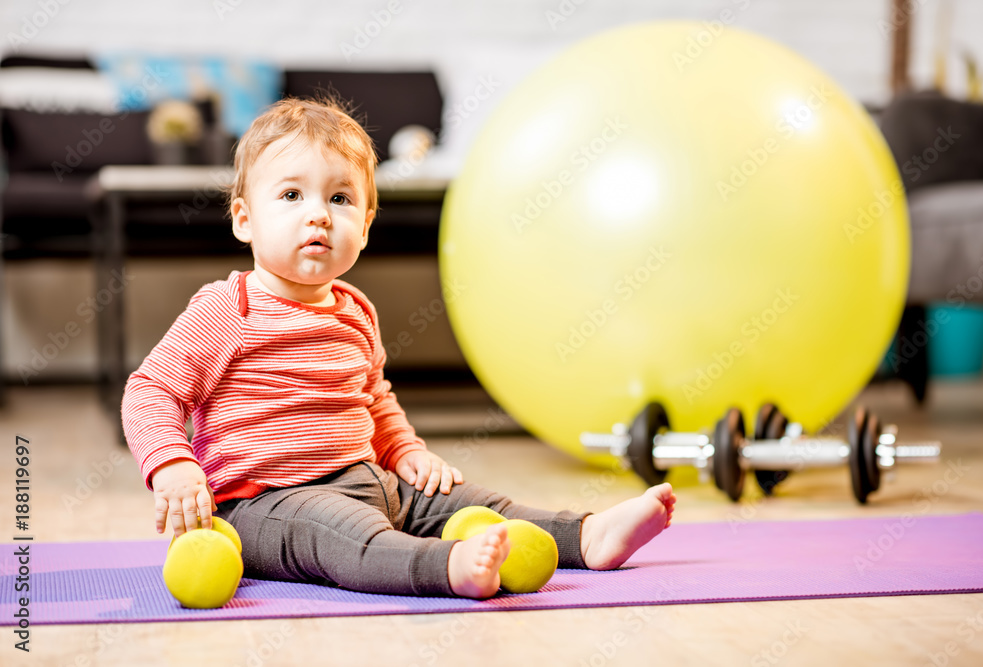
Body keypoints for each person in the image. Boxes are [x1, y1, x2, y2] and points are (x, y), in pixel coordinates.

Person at [122, 96, 676, 599]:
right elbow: (150, 391)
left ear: (363, 227)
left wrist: (406, 453)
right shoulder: (228, 310)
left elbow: (376, 398)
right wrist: (173, 465)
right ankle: (449, 568)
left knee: (471, 501)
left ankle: (586, 535)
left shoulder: (355, 309)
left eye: (339, 198)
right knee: (348, 539)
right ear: (245, 219)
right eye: (291, 194)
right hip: (265, 505)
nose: (318, 213)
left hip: (370, 479)